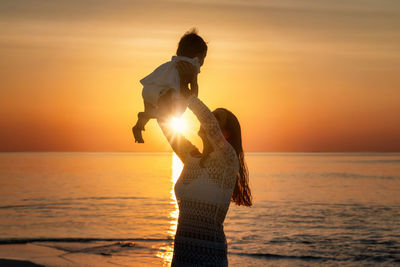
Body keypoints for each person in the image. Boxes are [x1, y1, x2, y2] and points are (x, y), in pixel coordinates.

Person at [157, 61, 252, 266]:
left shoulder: (228, 160)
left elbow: (208, 122)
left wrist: (189, 93)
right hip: (181, 258)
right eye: (211, 117)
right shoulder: (191, 157)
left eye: (217, 119)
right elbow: (164, 123)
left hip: (210, 259)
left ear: (226, 134)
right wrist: (168, 92)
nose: (209, 121)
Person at [132, 29, 208, 143]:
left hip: (149, 88)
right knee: (172, 113)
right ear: (198, 56)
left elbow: (158, 82)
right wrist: (194, 83)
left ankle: (139, 125)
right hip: (164, 93)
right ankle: (148, 115)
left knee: (151, 109)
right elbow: (194, 95)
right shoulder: (193, 65)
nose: (203, 62)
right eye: (204, 58)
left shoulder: (172, 63)